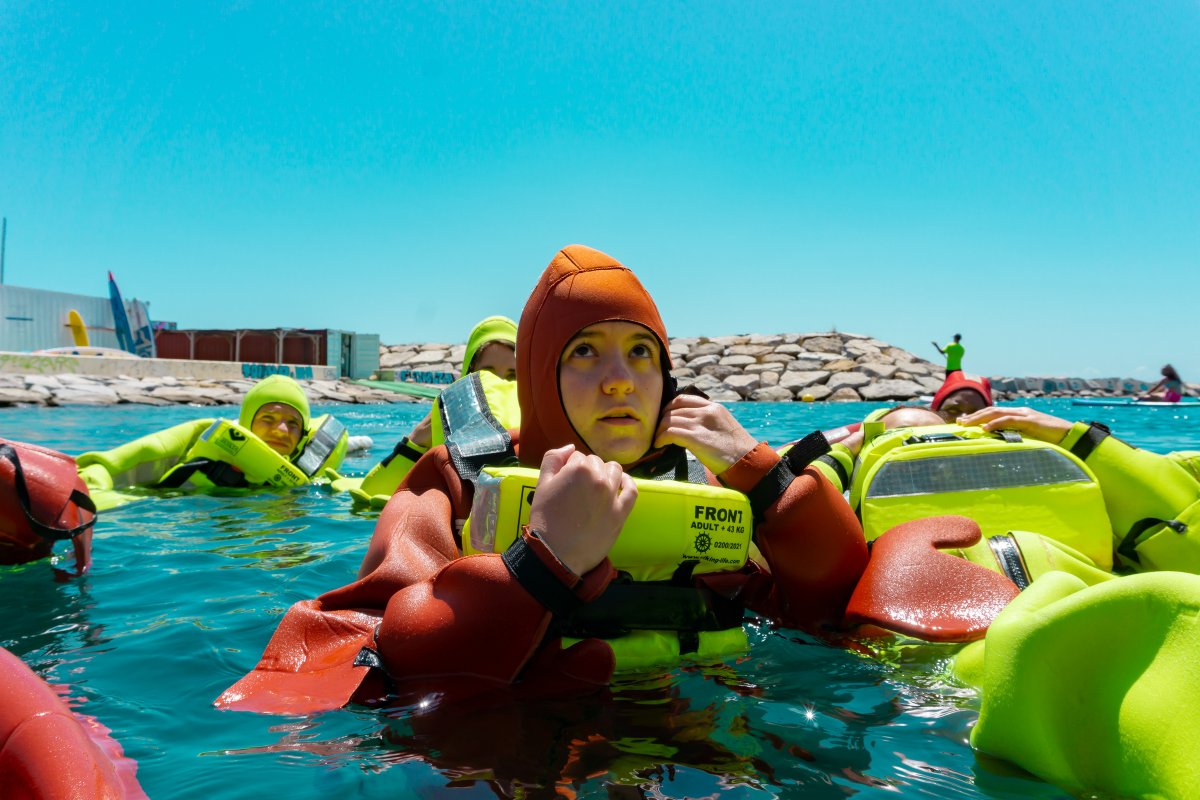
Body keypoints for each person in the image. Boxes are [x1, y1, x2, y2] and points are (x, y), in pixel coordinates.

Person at [217, 244, 868, 714]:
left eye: (640, 353)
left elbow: (830, 611)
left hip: (694, 750)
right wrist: (542, 565)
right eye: (584, 352)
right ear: (536, 375)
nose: (620, 381)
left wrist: (765, 476)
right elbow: (367, 659)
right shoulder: (459, 479)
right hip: (515, 759)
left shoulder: (712, 483)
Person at [76, 375, 348, 508]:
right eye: (268, 418)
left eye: (293, 423)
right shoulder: (196, 438)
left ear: (302, 435)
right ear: (247, 422)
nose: (281, 430)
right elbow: (101, 469)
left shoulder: (308, 471)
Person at [344, 316, 519, 505]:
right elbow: (370, 494)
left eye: (513, 375)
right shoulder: (445, 418)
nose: (499, 383)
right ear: (467, 376)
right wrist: (416, 440)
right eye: (487, 373)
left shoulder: (539, 418)